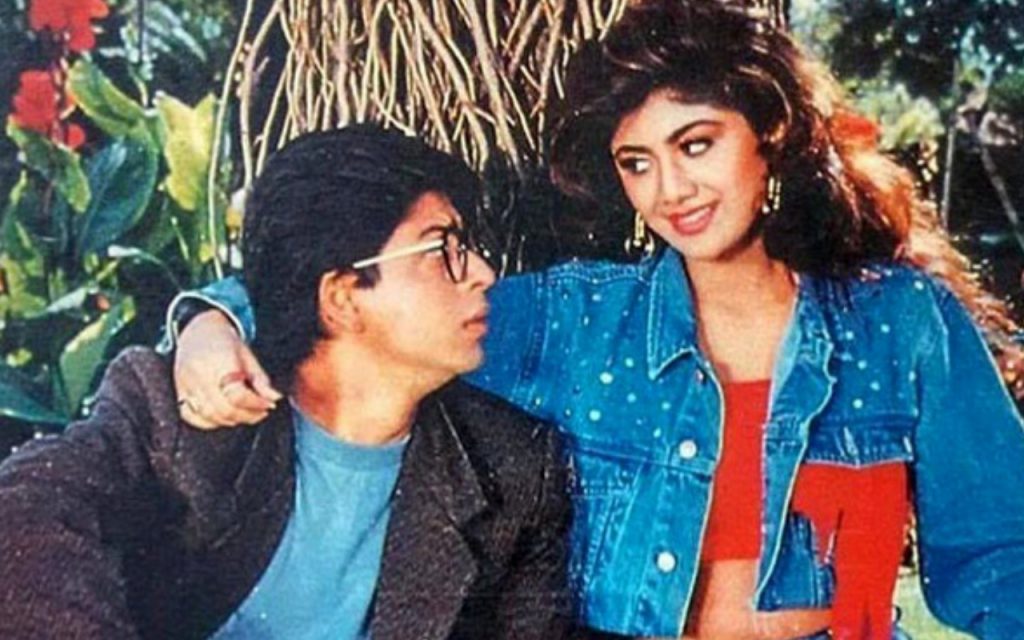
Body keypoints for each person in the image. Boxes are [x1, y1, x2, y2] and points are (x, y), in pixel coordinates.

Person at [165, 1, 1024, 638]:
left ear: (770, 132)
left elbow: (1000, 556)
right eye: (636, 163)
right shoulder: (576, 319)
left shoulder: (901, 322)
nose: (671, 190)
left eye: (696, 144)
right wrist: (211, 320)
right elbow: (361, 308)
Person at [0, 125, 572, 640]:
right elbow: (24, 509)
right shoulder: (185, 409)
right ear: (342, 298)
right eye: (443, 249)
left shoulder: (514, 470)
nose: (483, 274)